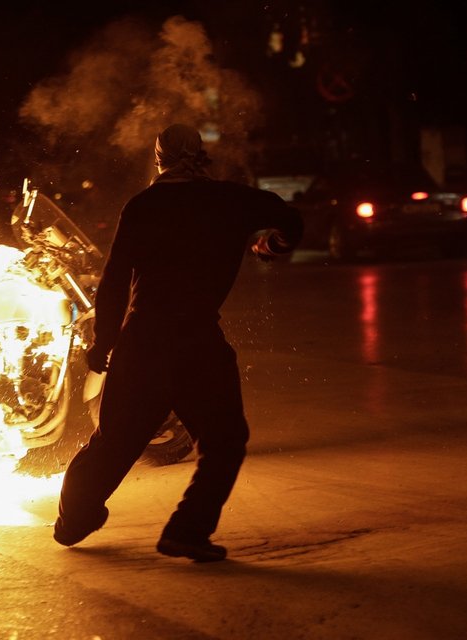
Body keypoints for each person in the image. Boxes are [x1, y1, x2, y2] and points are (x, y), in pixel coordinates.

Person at [53, 123, 303, 562]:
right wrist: (271, 245)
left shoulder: (144, 205)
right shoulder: (232, 200)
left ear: (159, 159)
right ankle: (187, 531)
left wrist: (103, 342)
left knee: (112, 443)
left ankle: (73, 520)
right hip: (197, 343)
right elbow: (292, 220)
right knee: (224, 441)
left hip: (143, 343)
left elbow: (115, 279)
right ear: (201, 155)